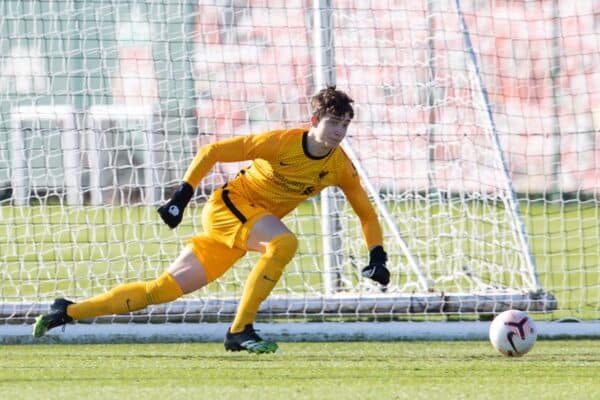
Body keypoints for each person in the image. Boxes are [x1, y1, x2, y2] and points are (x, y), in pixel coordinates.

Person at [32, 86, 390, 353]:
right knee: (285, 243)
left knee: (162, 290)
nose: (339, 132)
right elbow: (213, 151)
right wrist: (181, 196)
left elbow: (365, 212)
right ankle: (240, 331)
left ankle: (68, 311)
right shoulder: (279, 143)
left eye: (344, 124)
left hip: (245, 227)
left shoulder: (339, 166)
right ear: (314, 121)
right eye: (333, 123)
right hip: (228, 208)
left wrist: (377, 256)